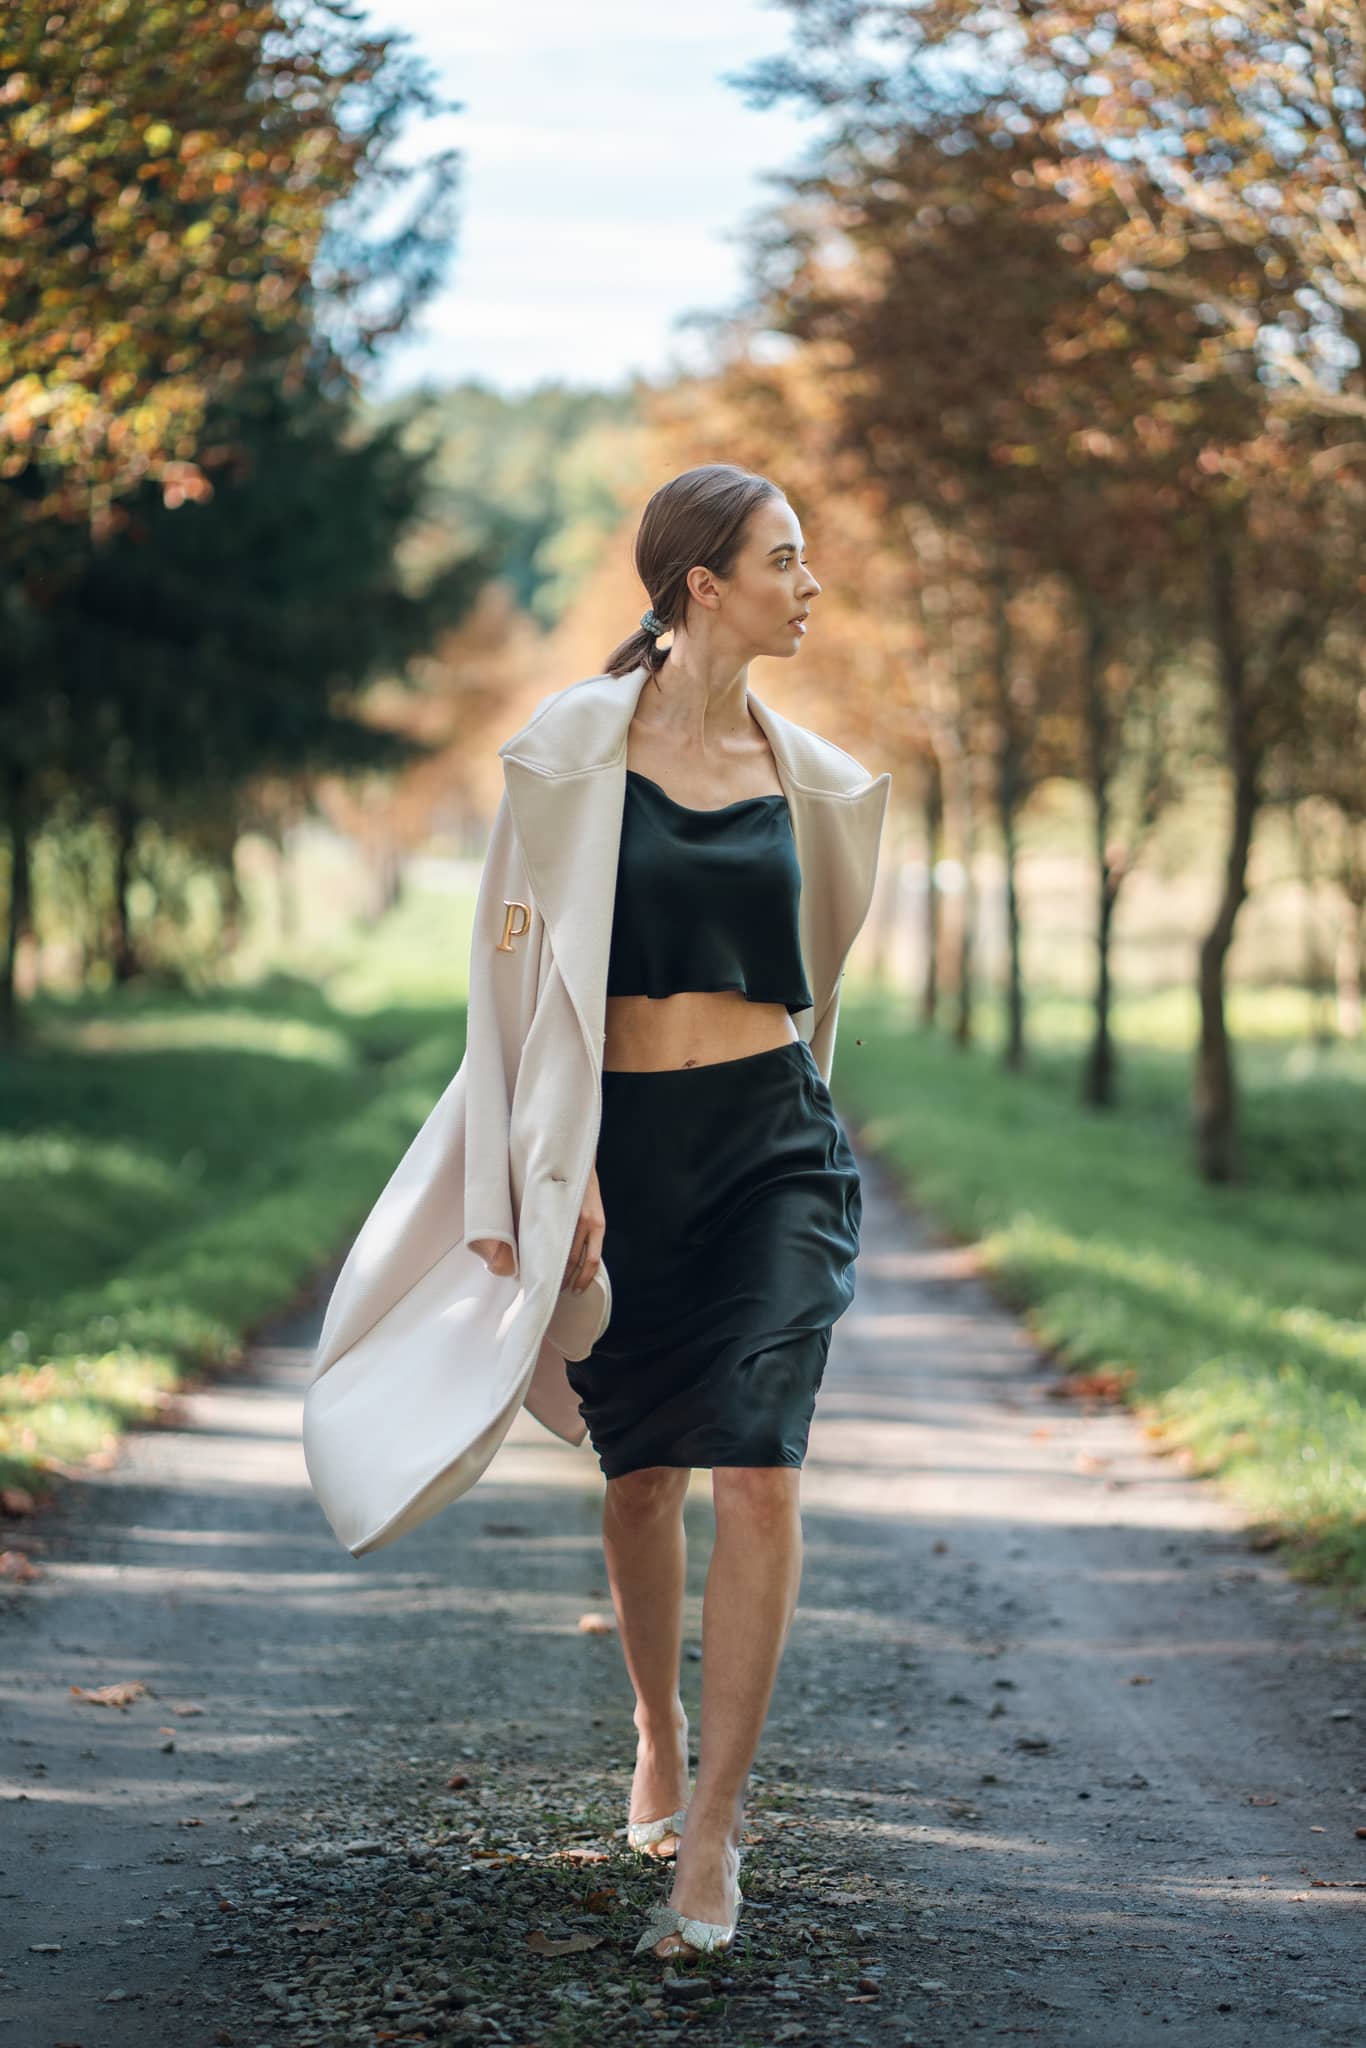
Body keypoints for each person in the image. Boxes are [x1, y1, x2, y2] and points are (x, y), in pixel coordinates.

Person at [468, 464, 889, 1963]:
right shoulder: (570, 755)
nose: (810, 583)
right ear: (701, 583)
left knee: (759, 1469)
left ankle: (711, 1834)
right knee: (641, 1471)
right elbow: (508, 995)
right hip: (618, 1146)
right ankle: (653, 1732)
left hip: (773, 1136)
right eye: (786, 559)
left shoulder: (815, 776)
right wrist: (546, 1166)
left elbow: (815, 977)